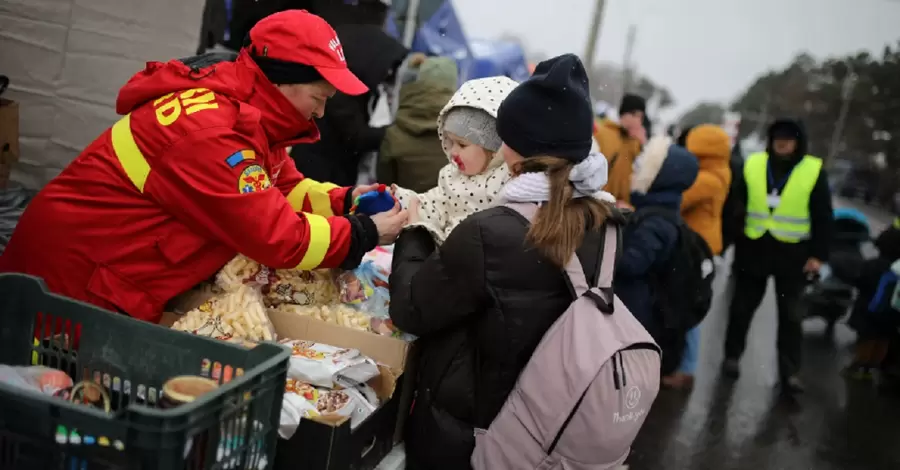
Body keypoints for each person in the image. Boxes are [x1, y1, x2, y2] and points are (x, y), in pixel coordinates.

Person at [0, 10, 408, 324]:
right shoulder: (212, 133)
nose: (321, 112)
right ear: (280, 81)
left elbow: (282, 190)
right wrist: (363, 233)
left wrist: (344, 200)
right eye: (318, 97)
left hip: (103, 273)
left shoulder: (248, 115)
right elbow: (277, 236)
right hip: (70, 280)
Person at [389, 54, 613, 470]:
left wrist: (416, 230)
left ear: (511, 145)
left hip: (472, 425)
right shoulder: (604, 221)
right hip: (548, 422)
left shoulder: (491, 230)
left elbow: (411, 308)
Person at [722, 118, 833, 393]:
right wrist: (729, 238)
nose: (782, 143)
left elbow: (823, 216)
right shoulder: (754, 163)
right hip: (754, 249)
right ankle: (732, 357)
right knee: (741, 309)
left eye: (788, 139)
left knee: (791, 317)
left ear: (798, 142)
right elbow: (736, 203)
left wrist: (818, 254)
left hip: (792, 254)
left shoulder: (813, 170)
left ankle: (789, 372)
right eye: (777, 138)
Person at [391, 76, 520, 244]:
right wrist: (402, 199)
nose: (453, 151)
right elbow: (434, 205)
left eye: (462, 144)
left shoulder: (508, 184)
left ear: (495, 150)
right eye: (449, 142)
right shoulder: (451, 176)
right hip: (441, 257)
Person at [614, 136, 699, 372]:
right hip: (639, 309)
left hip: (637, 311)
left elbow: (632, 264)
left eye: (641, 167)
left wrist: (603, 248)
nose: (635, 170)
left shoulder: (656, 222)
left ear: (657, 177)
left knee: (623, 373)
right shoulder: (657, 214)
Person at [290, 23, 408, 186]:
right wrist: (397, 134)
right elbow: (355, 135)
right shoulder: (341, 89)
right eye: (386, 67)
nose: (388, 74)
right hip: (318, 173)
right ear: (372, 60)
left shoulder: (361, 88)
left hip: (329, 171)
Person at [663, 124, 732, 389]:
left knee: (689, 310)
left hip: (697, 247)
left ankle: (686, 368)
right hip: (701, 246)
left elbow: (677, 198)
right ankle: (682, 364)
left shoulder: (708, 177)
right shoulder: (720, 172)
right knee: (689, 306)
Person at [377, 54, 459, 193]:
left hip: (405, 211)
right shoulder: (465, 133)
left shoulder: (394, 133)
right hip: (453, 212)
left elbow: (385, 187)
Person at [846, 224, 900, 378]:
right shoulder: (897, 269)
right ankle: (872, 366)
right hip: (891, 314)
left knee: (866, 339)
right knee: (883, 339)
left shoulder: (871, 265)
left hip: (867, 310)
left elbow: (859, 281)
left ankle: (859, 366)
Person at [595, 93, 648, 203]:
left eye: (641, 117)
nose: (637, 120)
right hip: (599, 201)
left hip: (622, 207)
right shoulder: (603, 134)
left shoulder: (636, 142)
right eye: (634, 114)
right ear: (623, 114)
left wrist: (643, 145)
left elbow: (642, 173)